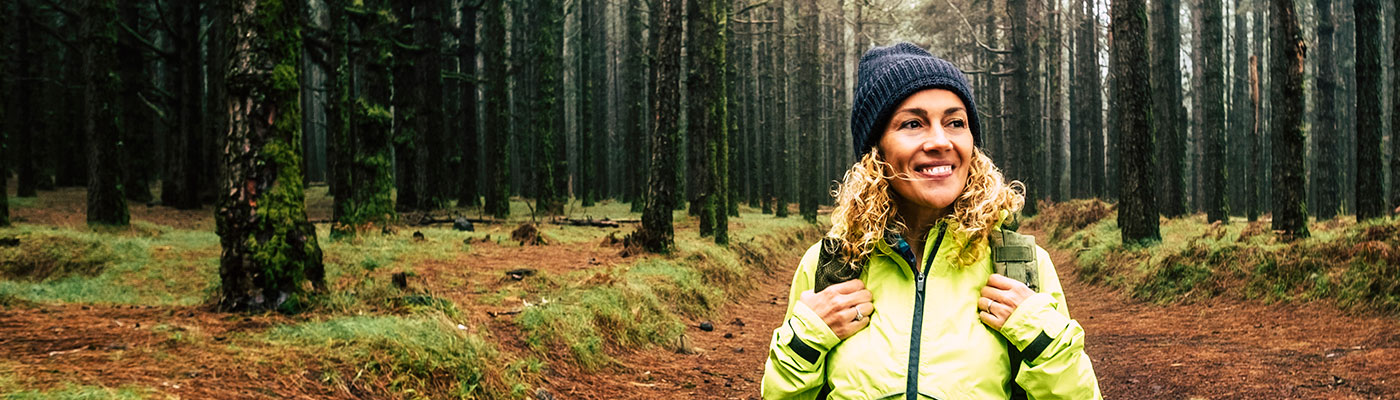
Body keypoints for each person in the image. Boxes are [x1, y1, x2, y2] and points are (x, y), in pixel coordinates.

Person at [761, 42, 1101, 399]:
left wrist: (1042, 338)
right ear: (876, 150)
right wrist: (805, 341)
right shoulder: (830, 265)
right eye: (913, 123)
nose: (940, 141)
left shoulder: (1021, 266)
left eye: (956, 122)